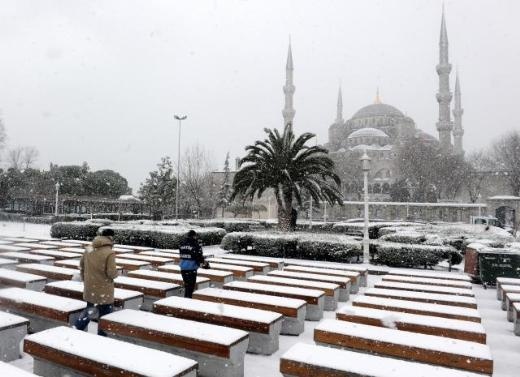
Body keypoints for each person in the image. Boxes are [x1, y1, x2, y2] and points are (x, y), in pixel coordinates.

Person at [74, 228, 118, 336]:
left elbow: (81, 265)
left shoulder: (89, 248)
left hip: (90, 287)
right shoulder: (110, 252)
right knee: (105, 316)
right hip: (104, 290)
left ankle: (76, 329)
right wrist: (116, 274)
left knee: (90, 311)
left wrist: (86, 280)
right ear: (111, 238)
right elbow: (111, 273)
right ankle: (101, 338)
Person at [179, 230, 208, 298]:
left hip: (183, 268)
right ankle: (188, 302)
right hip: (191, 268)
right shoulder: (195, 243)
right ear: (194, 236)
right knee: (190, 287)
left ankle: (186, 300)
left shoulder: (182, 243)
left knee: (187, 285)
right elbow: (199, 255)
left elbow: (181, 253)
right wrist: (203, 263)